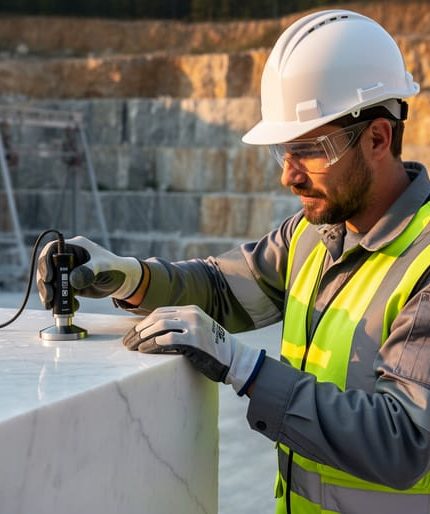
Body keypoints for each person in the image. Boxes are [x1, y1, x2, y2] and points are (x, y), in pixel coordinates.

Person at [37, 9, 430, 514]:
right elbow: (222, 289)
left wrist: (246, 368)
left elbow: (402, 442)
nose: (289, 175)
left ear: (378, 138)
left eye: (310, 149)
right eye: (284, 151)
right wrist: (132, 277)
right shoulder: (312, 236)